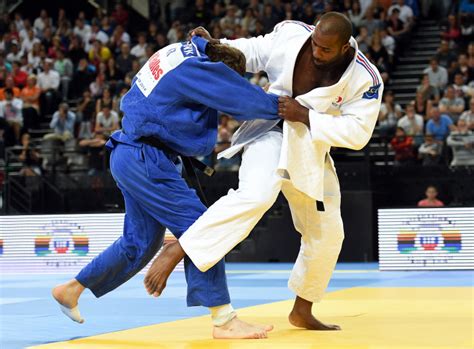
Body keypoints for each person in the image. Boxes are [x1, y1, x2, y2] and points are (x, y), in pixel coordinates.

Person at [145, 13, 383, 331]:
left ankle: (302, 310)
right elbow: (254, 50)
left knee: (327, 233)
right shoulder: (292, 35)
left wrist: (307, 116)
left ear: (344, 48)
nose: (316, 52)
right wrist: (216, 46)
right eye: (315, 44)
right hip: (268, 128)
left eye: (325, 50)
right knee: (257, 194)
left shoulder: (366, 78)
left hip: (310, 144)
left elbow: (357, 133)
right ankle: (181, 247)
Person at [52, 36, 279, 339]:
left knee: (139, 243)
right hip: (145, 157)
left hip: (130, 152)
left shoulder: (178, 52)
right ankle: (224, 321)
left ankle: (72, 289)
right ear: (220, 71)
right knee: (203, 226)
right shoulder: (199, 69)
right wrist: (283, 105)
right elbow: (246, 100)